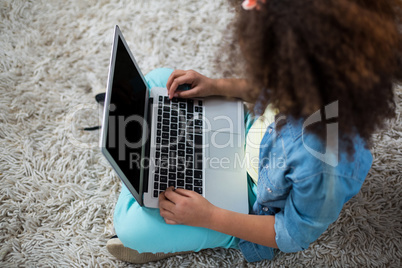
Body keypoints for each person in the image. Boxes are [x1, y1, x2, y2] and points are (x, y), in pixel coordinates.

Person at [106, 0, 401, 263]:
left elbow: (291, 235)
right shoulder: (310, 74)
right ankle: (154, 174)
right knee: (163, 83)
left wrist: (209, 217)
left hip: (250, 198)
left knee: (132, 229)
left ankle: (205, 228)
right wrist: (216, 86)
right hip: (245, 131)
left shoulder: (326, 162)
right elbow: (267, 88)